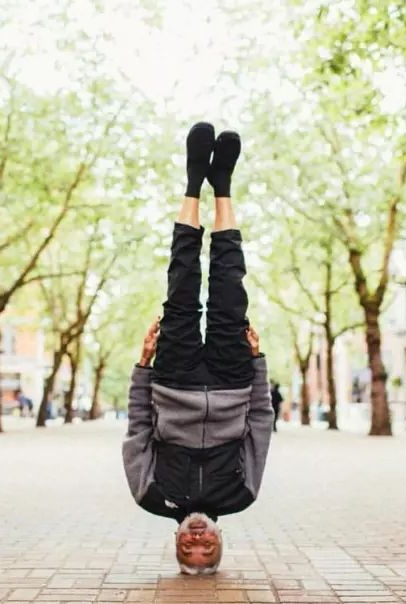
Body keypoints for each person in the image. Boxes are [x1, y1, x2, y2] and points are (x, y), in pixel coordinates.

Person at [122, 122, 274, 576]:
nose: (197, 541)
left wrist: (143, 365)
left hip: (173, 379)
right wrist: (258, 364)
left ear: (176, 542)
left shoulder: (150, 495)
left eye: (188, 551)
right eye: (207, 550)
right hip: (232, 381)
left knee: (182, 284)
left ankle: (194, 180)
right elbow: (260, 425)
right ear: (219, 539)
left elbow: (138, 427)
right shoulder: (242, 495)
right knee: (230, 282)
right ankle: (223, 185)